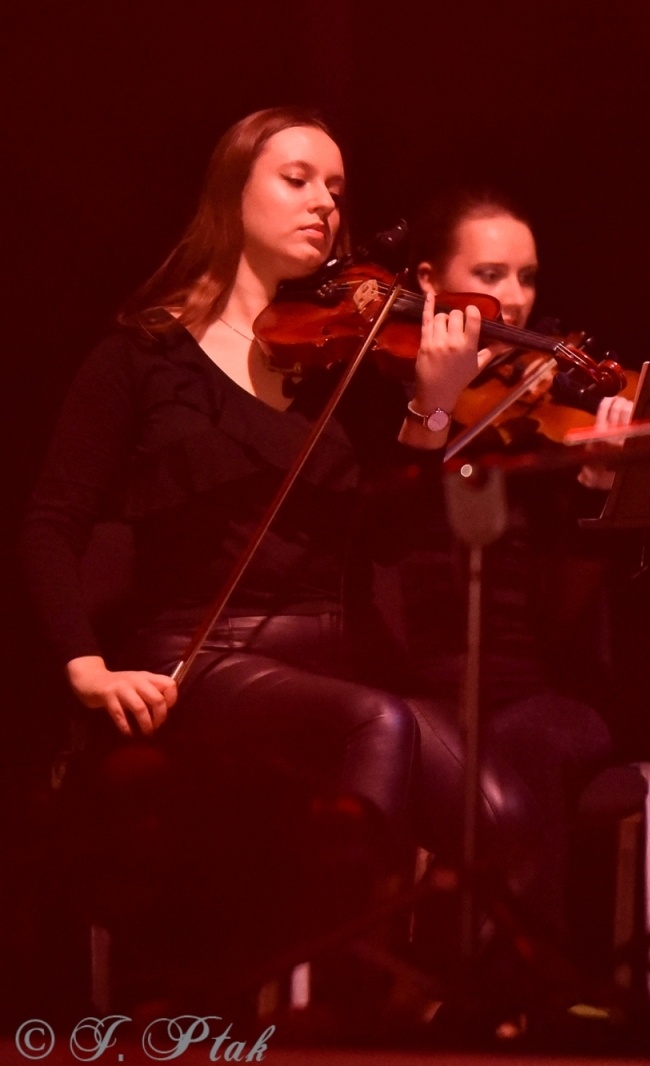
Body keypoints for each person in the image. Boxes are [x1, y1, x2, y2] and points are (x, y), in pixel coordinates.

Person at [19, 108, 486, 872]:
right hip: (204, 658)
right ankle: (339, 949)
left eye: (335, 189)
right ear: (232, 195)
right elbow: (51, 522)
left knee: (500, 808)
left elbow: (390, 542)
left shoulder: (345, 367)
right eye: (298, 180)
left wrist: (434, 405)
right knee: (376, 727)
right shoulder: (142, 358)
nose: (324, 203)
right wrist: (86, 666)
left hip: (342, 653)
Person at [394, 187, 627, 944]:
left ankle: (518, 977)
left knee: (528, 743)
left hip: (539, 692)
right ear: (429, 282)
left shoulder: (549, 410)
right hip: (416, 686)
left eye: (527, 277)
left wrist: (595, 485)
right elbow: (387, 541)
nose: (516, 299)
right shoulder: (382, 392)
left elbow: (565, 614)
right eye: (490, 275)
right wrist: (434, 406)